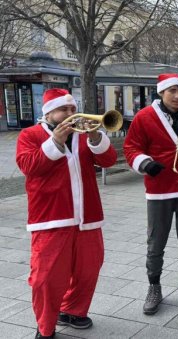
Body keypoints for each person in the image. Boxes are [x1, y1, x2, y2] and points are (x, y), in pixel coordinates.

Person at [16, 89, 117, 339]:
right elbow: (28, 166)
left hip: (88, 216)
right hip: (50, 217)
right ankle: (46, 328)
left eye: (73, 109)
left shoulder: (84, 135)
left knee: (89, 269)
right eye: (65, 110)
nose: (71, 114)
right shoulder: (30, 135)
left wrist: (95, 137)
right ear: (49, 112)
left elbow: (109, 161)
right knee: (47, 278)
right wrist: (56, 142)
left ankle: (73, 310)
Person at [123, 73, 178, 315]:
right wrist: (144, 163)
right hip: (159, 188)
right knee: (156, 243)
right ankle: (154, 287)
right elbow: (131, 147)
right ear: (161, 92)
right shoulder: (144, 117)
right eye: (171, 91)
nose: (176, 95)